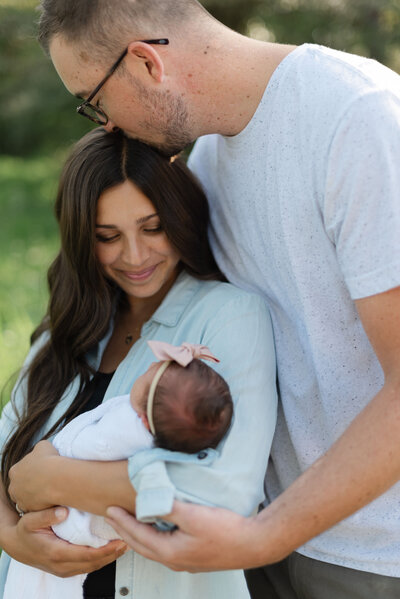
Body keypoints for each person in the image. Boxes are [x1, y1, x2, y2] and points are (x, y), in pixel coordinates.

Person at [21, 0, 400, 597]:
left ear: (145, 63)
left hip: (371, 556)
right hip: (256, 544)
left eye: (94, 100)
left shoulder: (359, 118)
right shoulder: (211, 162)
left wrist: (264, 536)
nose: (105, 127)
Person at [0, 126, 277, 599]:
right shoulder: (66, 327)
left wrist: (51, 478)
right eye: (108, 236)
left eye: (152, 228)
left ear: (180, 219)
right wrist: (13, 539)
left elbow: (224, 493)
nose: (135, 256)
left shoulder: (228, 315)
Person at [3, 340, 234, 599]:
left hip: (73, 524)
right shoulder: (53, 342)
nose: (151, 365)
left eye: (151, 376)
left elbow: (91, 446)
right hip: (47, 531)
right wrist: (9, 535)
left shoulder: (130, 428)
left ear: (145, 419)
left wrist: (50, 465)